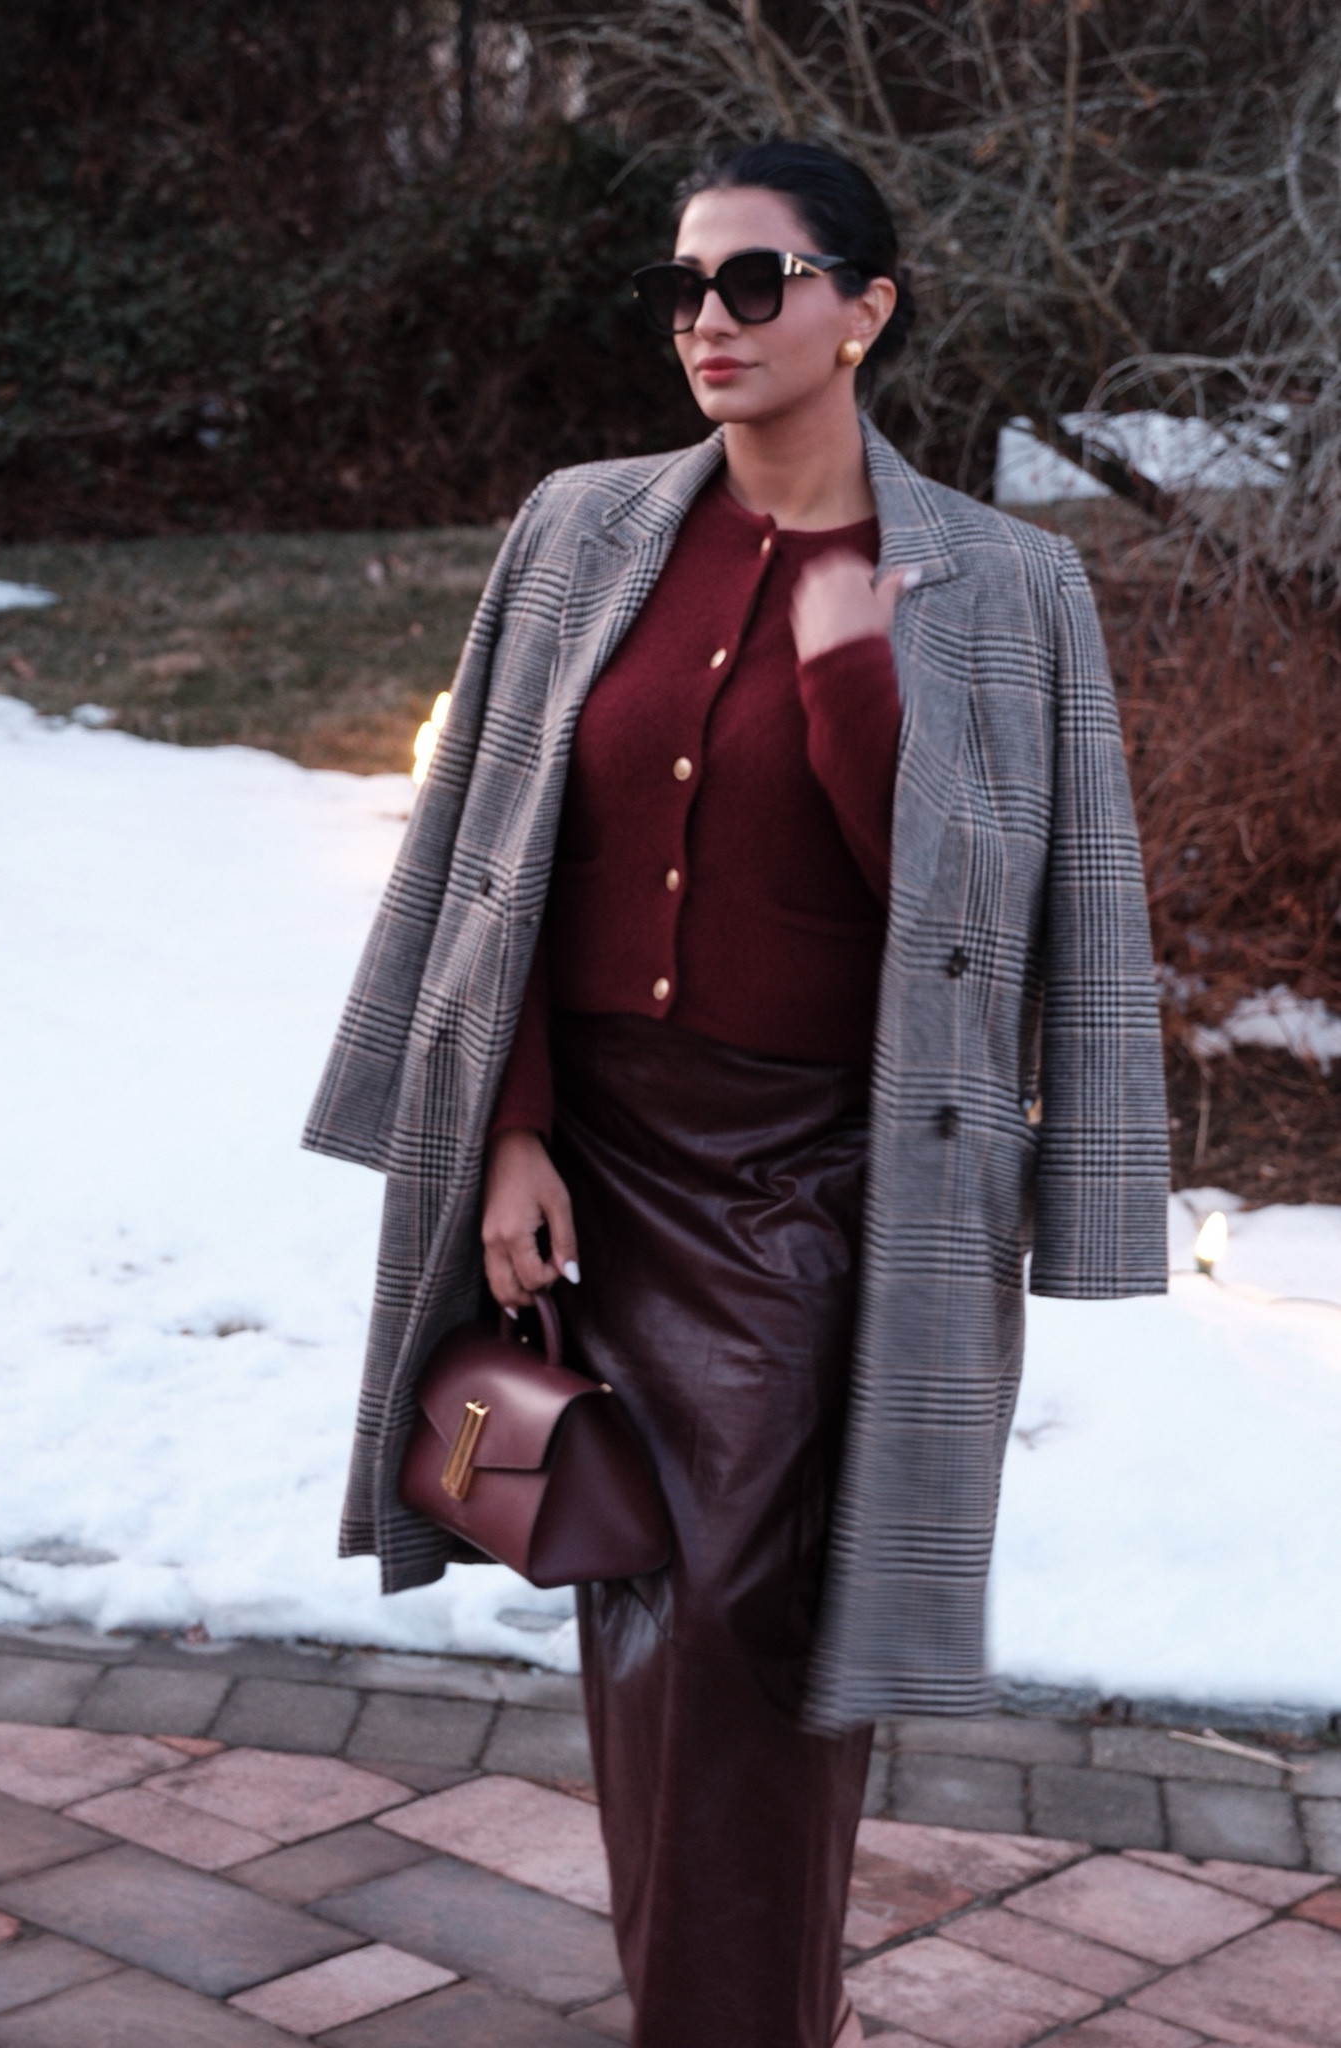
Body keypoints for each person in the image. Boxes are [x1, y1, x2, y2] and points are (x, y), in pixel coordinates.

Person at [304, 138, 1168, 2048]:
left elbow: (1028, 904)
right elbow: (492, 854)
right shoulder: (581, 527)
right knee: (638, 1620)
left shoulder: (1005, 586)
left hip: (809, 1187)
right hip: (584, 1160)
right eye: (685, 285)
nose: (709, 317)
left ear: (864, 311)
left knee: (739, 1638)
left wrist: (854, 676)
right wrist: (511, 1122)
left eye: (756, 281)